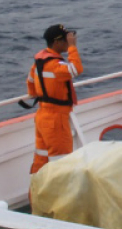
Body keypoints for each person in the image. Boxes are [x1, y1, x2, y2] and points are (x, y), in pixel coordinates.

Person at [26, 24, 83, 173]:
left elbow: (30, 84)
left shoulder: (39, 62)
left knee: (41, 161)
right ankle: (61, 195)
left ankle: (37, 193)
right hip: (56, 120)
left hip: (42, 117)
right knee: (62, 163)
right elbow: (76, 69)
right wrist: (72, 48)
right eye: (66, 40)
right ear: (57, 42)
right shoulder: (55, 66)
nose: (68, 42)